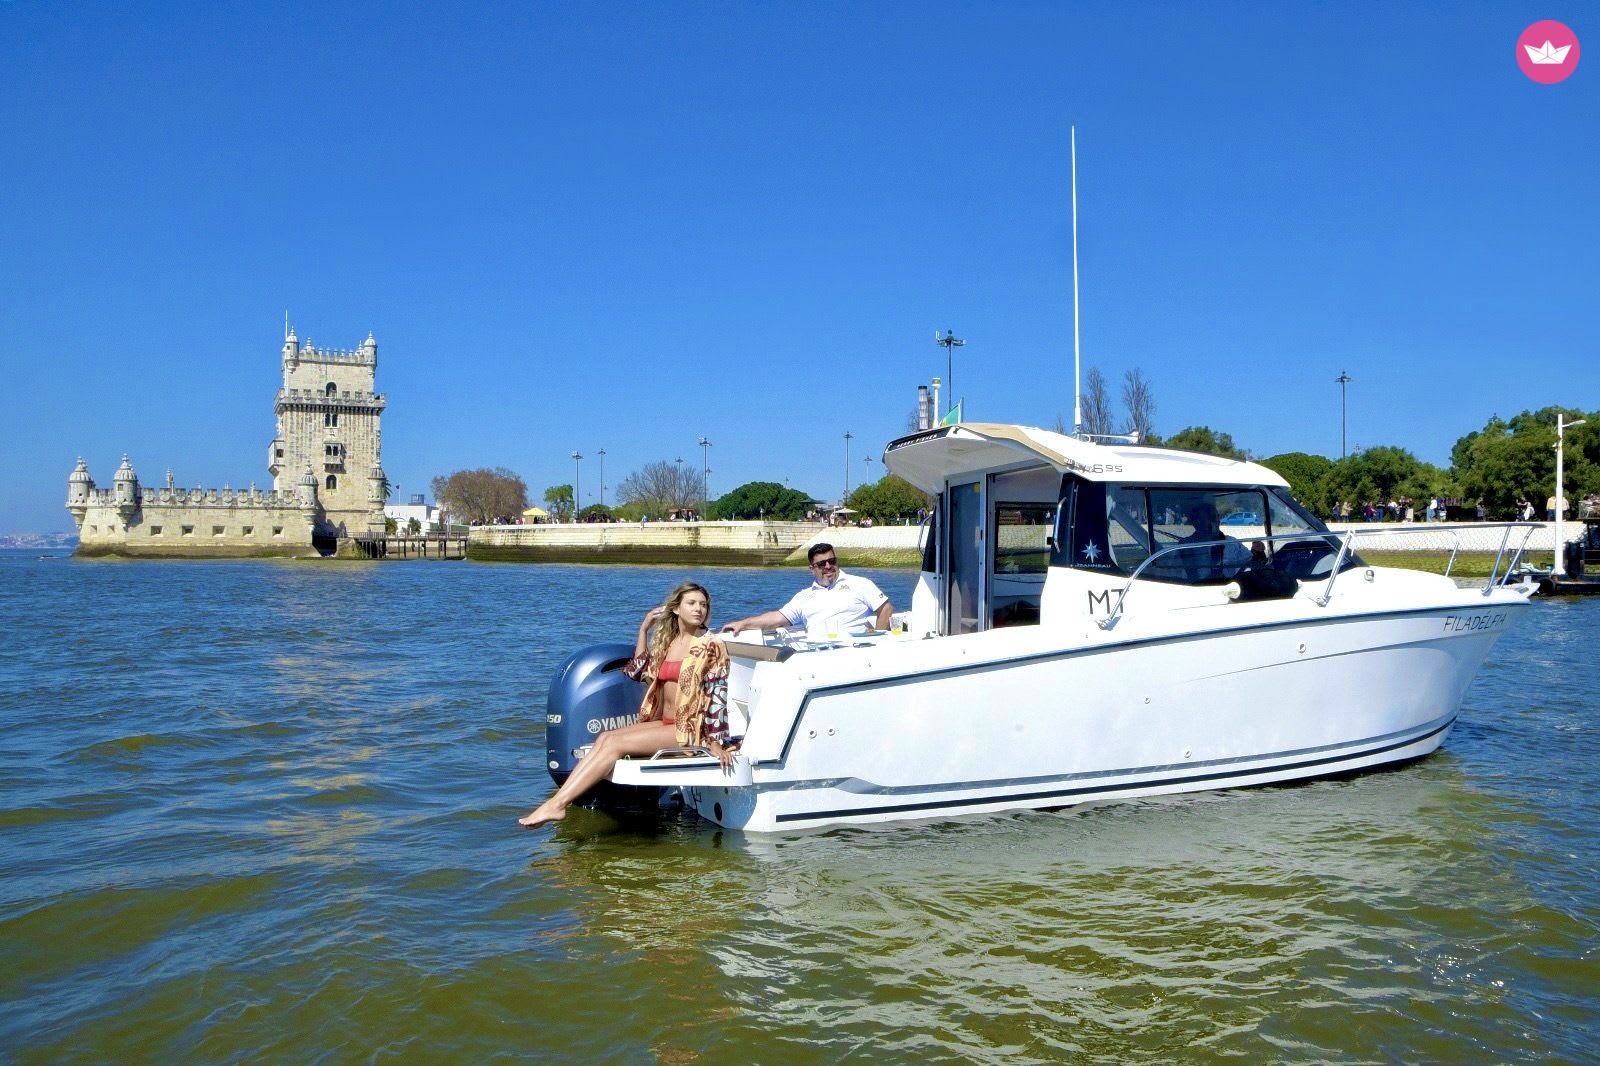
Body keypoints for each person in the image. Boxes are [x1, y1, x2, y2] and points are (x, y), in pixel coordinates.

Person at [519, 581, 734, 828]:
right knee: (605, 738)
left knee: (616, 744)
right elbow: (635, 671)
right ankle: (559, 802)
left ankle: (557, 805)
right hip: (664, 722)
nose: (699, 609)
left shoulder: (711, 644)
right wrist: (644, 629)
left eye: (703, 604)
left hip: (689, 729)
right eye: (692, 603)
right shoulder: (670, 641)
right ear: (675, 609)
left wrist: (717, 744)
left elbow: (718, 693)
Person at [721, 543, 894, 637]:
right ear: (812, 568)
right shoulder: (804, 596)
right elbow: (777, 618)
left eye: (832, 561)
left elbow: (885, 608)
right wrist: (743, 624)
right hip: (816, 656)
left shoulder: (860, 584)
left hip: (854, 653)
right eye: (821, 564)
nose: (828, 566)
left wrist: (877, 637)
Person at [1176, 501, 1252, 581]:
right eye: (1208, 518)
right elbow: (1175, 573)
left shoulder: (1231, 542)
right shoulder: (1186, 545)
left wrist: (1257, 552)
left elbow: (1249, 561)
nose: (1214, 521)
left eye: (1216, 517)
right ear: (1196, 523)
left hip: (1229, 587)